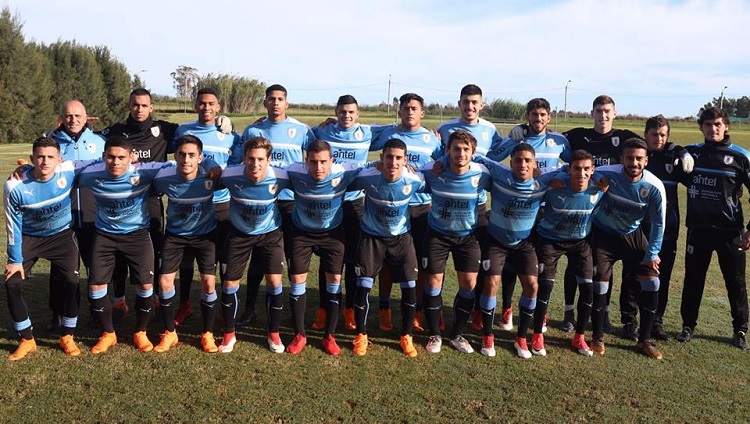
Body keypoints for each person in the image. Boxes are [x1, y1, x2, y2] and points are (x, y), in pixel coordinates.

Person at [100, 88, 232, 321]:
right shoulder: (119, 131)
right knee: (125, 251)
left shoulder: (166, 130)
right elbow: (91, 144)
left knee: (208, 257)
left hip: (194, 201)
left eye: (144, 105)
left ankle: (213, 304)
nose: (139, 109)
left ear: (151, 107)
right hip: (131, 198)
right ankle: (125, 300)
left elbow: (228, 154)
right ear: (129, 106)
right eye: (135, 104)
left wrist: (226, 123)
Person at [76, 136, 183, 354]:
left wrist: (210, 166)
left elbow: (178, 163)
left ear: (130, 157)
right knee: (96, 287)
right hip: (104, 236)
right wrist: (27, 170)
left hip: (137, 235)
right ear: (103, 156)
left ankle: (140, 331)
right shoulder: (90, 173)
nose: (115, 162)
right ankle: (108, 333)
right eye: (111, 157)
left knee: (145, 286)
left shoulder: (144, 171)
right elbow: (60, 168)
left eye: (121, 157)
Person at [488, 98, 572, 333]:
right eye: (534, 114)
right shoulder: (518, 138)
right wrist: (510, 138)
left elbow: (574, 165)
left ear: (549, 117)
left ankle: (539, 314)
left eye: (543, 114)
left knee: (538, 266)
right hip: (518, 208)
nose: (538, 119)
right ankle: (506, 309)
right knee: (509, 266)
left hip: (546, 211)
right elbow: (493, 157)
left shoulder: (559, 141)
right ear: (527, 116)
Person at [235, 84, 314, 327]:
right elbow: (238, 159)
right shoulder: (253, 130)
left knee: (291, 257)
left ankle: (291, 311)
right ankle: (250, 309)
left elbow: (316, 155)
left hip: (289, 201)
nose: (276, 102)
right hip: (261, 201)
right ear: (265, 103)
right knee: (258, 258)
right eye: (271, 99)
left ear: (287, 103)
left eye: (280, 99)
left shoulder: (301, 130)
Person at [3, 137, 90, 360]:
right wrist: (14, 260)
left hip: (62, 237)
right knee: (13, 283)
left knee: (72, 282)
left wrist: (131, 161)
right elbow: (12, 226)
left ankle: (67, 336)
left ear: (59, 159)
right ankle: (27, 339)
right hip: (30, 238)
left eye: (50, 157)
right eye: (40, 157)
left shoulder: (68, 170)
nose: (45, 161)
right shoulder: (15, 186)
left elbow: (100, 163)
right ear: (32, 158)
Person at [475, 144, 559, 359]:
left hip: (523, 244)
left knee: (532, 285)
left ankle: (521, 337)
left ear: (535, 163)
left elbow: (571, 169)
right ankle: (488, 335)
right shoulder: (499, 174)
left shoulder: (543, 181)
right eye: (518, 160)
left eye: (528, 160)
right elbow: (475, 156)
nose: (523, 164)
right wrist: (441, 162)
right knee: (491, 283)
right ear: (510, 162)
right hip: (495, 241)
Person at [677, 107, 750, 351]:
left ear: (726, 126)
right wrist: (680, 153)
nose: (713, 129)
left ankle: (740, 330)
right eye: (708, 124)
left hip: (730, 232)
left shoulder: (741, 156)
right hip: (698, 229)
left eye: (718, 124)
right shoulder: (692, 153)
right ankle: (688, 325)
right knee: (693, 279)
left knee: (736, 283)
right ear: (702, 127)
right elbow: (670, 156)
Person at [370, 93, 441, 333]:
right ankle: (384, 309)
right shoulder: (388, 134)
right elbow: (359, 133)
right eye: (406, 108)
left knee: (419, 262)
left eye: (414, 108)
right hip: (391, 205)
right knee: (387, 262)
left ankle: (417, 311)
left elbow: (443, 164)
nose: (410, 112)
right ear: (399, 111)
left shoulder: (431, 140)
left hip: (421, 207)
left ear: (422, 113)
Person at [590, 138, 666, 359]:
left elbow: (659, 223)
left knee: (652, 282)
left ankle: (645, 340)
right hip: (603, 234)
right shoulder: (606, 173)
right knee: (601, 283)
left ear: (646, 160)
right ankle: (597, 336)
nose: (634, 162)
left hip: (632, 235)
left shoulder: (654, 186)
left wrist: (652, 254)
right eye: (629, 158)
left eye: (639, 158)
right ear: (622, 158)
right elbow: (580, 172)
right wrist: (596, 181)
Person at [284, 140, 362, 356]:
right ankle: (299, 335)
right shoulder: (293, 172)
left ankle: (329, 336)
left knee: (334, 280)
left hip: (332, 234)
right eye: (313, 162)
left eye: (323, 162)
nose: (318, 167)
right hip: (301, 233)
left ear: (332, 161)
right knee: (297, 280)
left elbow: (373, 168)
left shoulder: (345, 172)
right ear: (306, 161)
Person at [348, 138, 425, 357]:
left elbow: (437, 181)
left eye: (398, 158)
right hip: (371, 237)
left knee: (409, 285)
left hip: (401, 238)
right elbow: (346, 176)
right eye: (389, 157)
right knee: (363, 285)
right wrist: (369, 164)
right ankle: (361, 335)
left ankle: (406, 335)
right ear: (382, 158)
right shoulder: (368, 176)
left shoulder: (415, 179)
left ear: (405, 160)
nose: (393, 162)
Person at [434, 84, 502, 333]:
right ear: (459, 103)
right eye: (466, 102)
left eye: (474, 102)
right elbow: (436, 156)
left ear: (481, 104)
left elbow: (498, 156)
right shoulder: (444, 128)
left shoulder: (490, 129)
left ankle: (476, 310)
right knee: (436, 269)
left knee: (479, 264)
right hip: (449, 203)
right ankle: (435, 313)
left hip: (478, 205)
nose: (470, 106)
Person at [172, 87, 241, 328]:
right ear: (195, 105)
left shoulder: (229, 134)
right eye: (202, 103)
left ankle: (222, 305)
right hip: (190, 204)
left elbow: (238, 161)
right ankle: (184, 305)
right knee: (186, 259)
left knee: (221, 257)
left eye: (211, 103)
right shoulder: (183, 130)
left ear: (218, 107)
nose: (206, 108)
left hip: (221, 204)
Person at [419, 130, 491, 354]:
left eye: (466, 149)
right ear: (447, 150)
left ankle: (457, 334)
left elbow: (507, 178)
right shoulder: (433, 171)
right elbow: (407, 172)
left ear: (473, 152)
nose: (461, 153)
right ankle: (434, 334)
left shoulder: (482, 173)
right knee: (433, 283)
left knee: (469, 285)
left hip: (468, 236)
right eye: (456, 149)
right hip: (437, 235)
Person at [217, 136, 291, 353]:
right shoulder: (230, 175)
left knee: (274, 282)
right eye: (251, 158)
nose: (255, 164)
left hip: (270, 234)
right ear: (244, 158)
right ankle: (229, 334)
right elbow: (206, 173)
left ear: (269, 160)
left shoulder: (281, 176)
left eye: (260, 159)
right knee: (230, 283)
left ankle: (274, 334)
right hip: (239, 235)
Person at [150, 135, 221, 353]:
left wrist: (213, 165)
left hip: (205, 236)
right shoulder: (164, 176)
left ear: (200, 158)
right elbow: (143, 172)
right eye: (182, 155)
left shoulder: (211, 176)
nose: (186, 160)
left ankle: (207, 334)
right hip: (175, 236)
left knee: (209, 283)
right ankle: (170, 332)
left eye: (192, 155)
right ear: (175, 156)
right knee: (164, 282)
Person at [308, 95, 372, 332]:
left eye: (351, 112)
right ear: (336, 112)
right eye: (343, 111)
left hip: (355, 204)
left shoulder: (368, 133)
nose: (347, 116)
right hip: (329, 203)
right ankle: (323, 309)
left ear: (358, 113)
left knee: (353, 260)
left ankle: (350, 310)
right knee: (328, 258)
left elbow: (399, 129)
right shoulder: (322, 131)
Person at [534, 150, 606, 356]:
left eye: (586, 169)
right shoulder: (555, 186)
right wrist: (556, 176)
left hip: (580, 243)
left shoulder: (599, 188)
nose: (581, 174)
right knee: (545, 286)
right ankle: (537, 335)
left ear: (592, 170)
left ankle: (579, 337)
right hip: (550, 241)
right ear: (569, 169)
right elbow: (536, 179)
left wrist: (602, 178)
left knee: (587, 289)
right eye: (577, 169)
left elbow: (613, 175)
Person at [46, 100, 106, 331]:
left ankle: (97, 312)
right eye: (68, 115)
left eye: (77, 115)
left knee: (95, 267)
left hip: (93, 215)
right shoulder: (51, 142)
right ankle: (59, 313)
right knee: (61, 269)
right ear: (62, 117)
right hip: (62, 217)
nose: (73, 120)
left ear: (85, 117)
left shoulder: (99, 142)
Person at [642, 115, 692, 340]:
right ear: (646, 135)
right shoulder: (639, 156)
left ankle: (656, 322)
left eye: (663, 135)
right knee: (634, 275)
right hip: (639, 229)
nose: (658, 139)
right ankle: (629, 320)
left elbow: (694, 180)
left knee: (662, 277)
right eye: (654, 134)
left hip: (667, 230)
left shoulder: (675, 159)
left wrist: (682, 151)